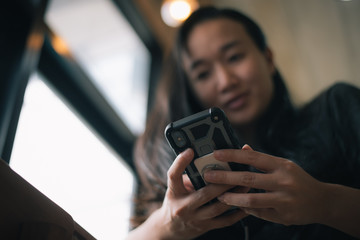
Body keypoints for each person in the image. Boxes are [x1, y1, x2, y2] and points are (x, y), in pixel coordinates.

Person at [126, 6, 360, 240]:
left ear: (268, 59)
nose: (226, 81)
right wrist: (166, 226)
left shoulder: (336, 110)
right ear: (191, 92)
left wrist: (325, 202)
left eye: (234, 57)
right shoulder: (188, 195)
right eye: (203, 74)